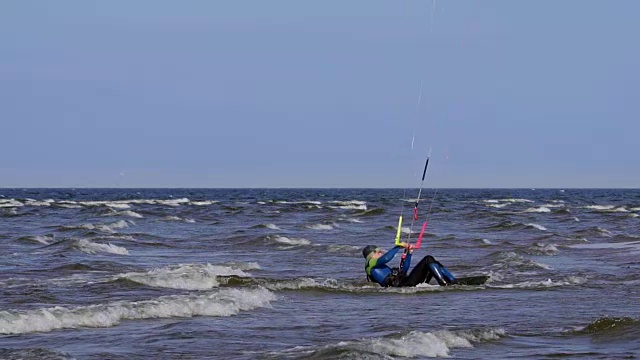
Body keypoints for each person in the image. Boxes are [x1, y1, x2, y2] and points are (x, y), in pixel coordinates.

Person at [362, 243, 457, 287]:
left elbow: (404, 271)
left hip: (406, 282)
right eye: (379, 252)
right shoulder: (370, 264)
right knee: (428, 259)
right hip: (404, 285)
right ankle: (444, 284)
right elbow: (387, 258)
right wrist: (398, 246)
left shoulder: (380, 266)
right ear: (372, 254)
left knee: (433, 263)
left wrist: (409, 253)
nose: (381, 253)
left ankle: (453, 281)